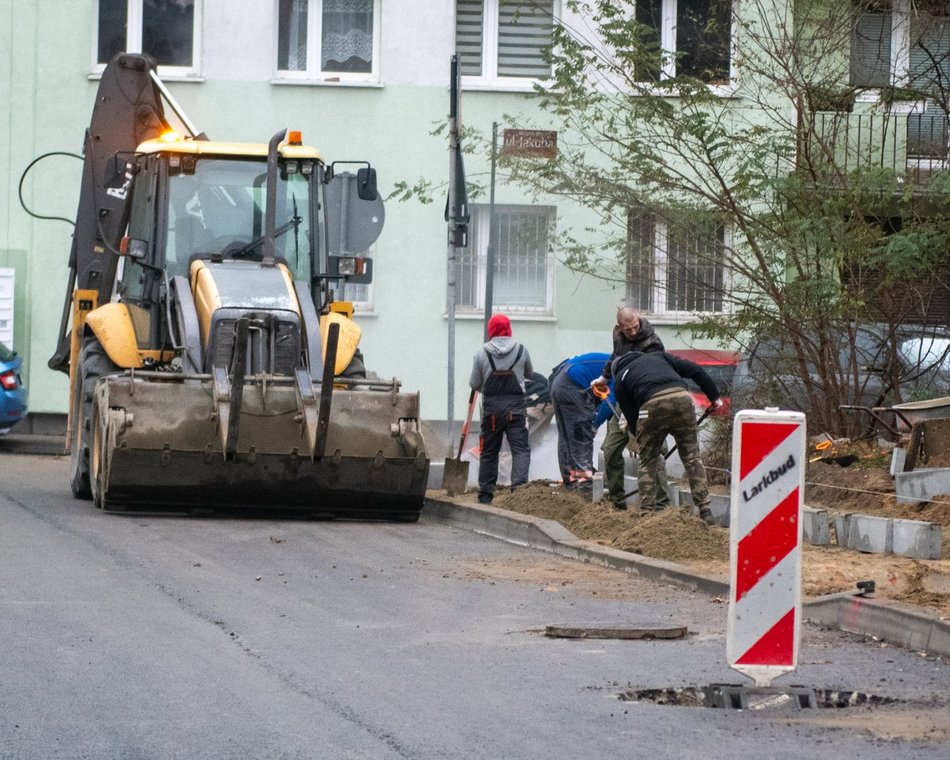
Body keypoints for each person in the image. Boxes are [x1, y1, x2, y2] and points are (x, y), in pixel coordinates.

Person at [611, 350, 723, 524]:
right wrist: (714, 396)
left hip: (651, 406)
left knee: (648, 461)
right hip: (683, 400)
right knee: (692, 458)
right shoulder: (659, 356)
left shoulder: (620, 378)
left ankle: (647, 512)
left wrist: (638, 436)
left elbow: (632, 415)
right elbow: (695, 370)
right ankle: (705, 509)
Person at [591, 307, 671, 510]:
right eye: (628, 330)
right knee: (610, 449)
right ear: (620, 328)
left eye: (635, 327)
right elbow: (616, 357)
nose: (634, 332)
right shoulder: (619, 337)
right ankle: (618, 501)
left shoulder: (652, 342)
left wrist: (635, 416)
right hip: (624, 399)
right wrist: (604, 377)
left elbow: (657, 372)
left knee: (654, 450)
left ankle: (661, 505)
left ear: (639, 319)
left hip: (646, 400)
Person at [469, 313, 534, 505]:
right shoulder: (522, 350)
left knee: (489, 451)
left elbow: (474, 383)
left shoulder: (482, 352)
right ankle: (520, 490)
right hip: (516, 409)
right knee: (520, 449)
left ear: (491, 331)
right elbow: (529, 374)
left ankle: (485, 494)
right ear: (509, 329)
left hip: (492, 411)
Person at [549, 352, 611, 491]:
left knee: (566, 435)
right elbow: (609, 404)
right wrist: (594, 426)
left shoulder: (608, 360)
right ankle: (585, 483)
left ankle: (570, 478)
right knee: (581, 435)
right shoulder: (620, 371)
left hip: (558, 384)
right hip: (573, 388)